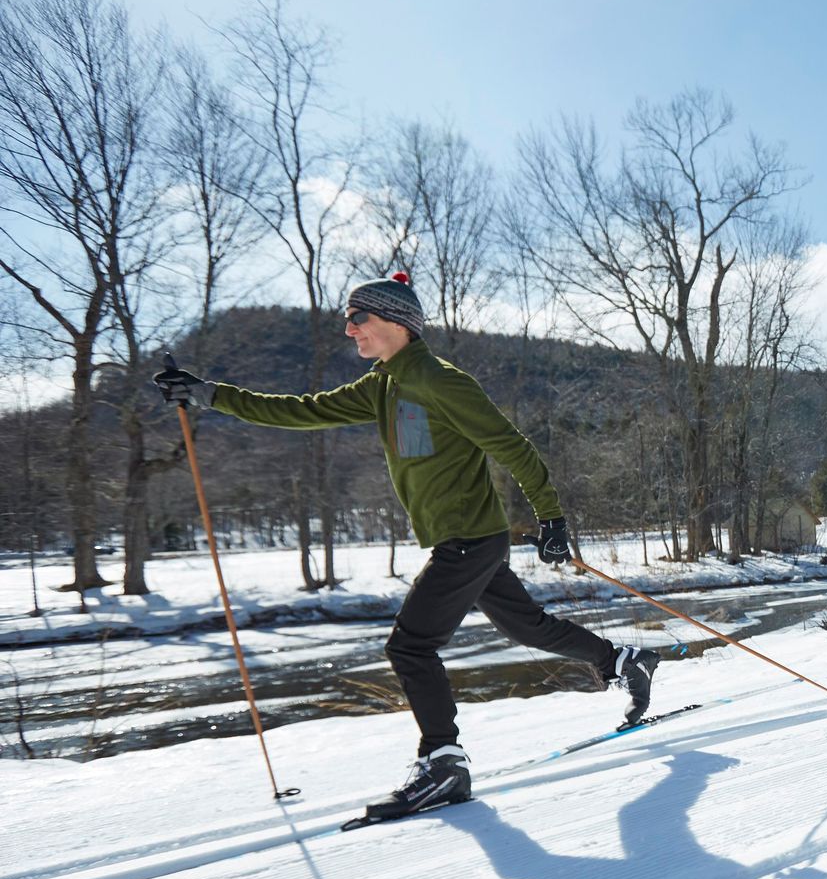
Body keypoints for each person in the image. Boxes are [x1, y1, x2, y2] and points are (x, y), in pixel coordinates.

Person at [153, 272, 660, 820]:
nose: (349, 330)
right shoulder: (385, 385)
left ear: (395, 322)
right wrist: (210, 395)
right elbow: (302, 411)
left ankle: (443, 764)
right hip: (465, 537)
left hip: (469, 538)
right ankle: (624, 660)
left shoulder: (440, 381)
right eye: (348, 320)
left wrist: (552, 517)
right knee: (526, 626)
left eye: (358, 318)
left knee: (410, 646)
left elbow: (513, 446)